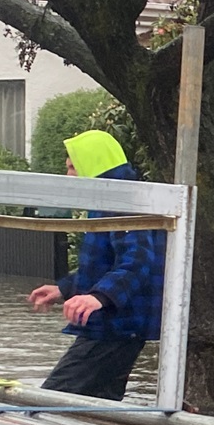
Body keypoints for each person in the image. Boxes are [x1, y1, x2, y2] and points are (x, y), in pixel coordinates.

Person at [26, 130, 165, 401]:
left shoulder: (122, 204)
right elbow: (103, 266)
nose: (68, 175)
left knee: (52, 399)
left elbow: (138, 261)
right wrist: (64, 289)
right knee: (98, 401)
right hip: (119, 325)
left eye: (72, 167)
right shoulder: (111, 201)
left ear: (93, 165)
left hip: (114, 327)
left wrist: (99, 298)